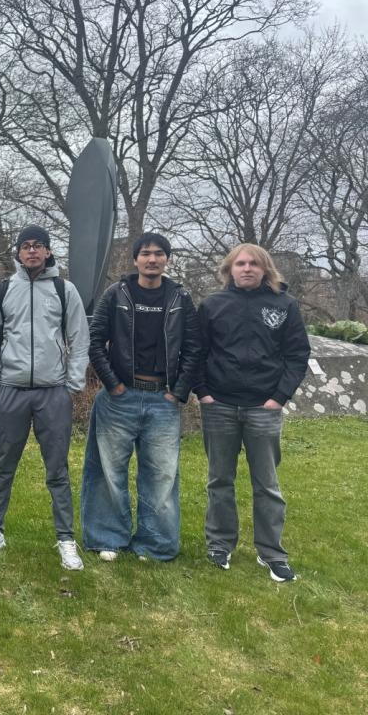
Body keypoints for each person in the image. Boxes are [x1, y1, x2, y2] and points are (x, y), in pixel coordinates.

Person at [80, 232, 201, 563]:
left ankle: (155, 544)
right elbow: (94, 341)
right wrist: (113, 384)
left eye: (159, 253)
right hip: (118, 399)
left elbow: (194, 348)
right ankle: (107, 538)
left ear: (167, 259)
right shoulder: (116, 294)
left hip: (163, 400)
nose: (152, 259)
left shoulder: (180, 298)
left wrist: (178, 392)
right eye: (145, 253)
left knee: (161, 476)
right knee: (107, 471)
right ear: (135, 259)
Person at [194, 244, 310, 582]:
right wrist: (203, 392)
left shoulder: (284, 305)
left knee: (267, 484)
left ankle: (271, 552)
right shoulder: (212, 305)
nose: (247, 269)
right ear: (229, 269)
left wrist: (279, 397)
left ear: (265, 269)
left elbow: (297, 354)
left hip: (264, 406)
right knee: (219, 480)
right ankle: (220, 544)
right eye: (240, 263)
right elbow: (196, 352)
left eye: (254, 264)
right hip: (219, 405)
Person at [0, 226, 90, 570]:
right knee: (3, 465)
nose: (32, 251)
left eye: (38, 245)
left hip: (53, 392)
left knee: (57, 468)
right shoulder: (1, 291)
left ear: (48, 251)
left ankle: (66, 539)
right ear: (18, 252)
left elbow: (79, 339)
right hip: (10, 391)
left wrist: (72, 386)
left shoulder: (64, 290)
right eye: (25, 246)